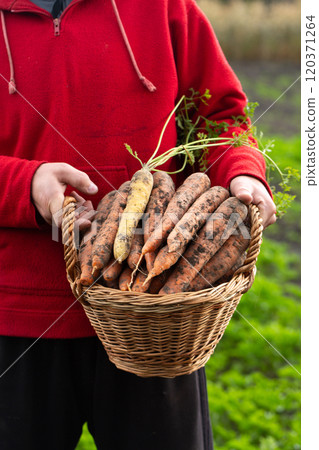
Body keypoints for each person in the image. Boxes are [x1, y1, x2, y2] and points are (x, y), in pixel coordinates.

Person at [0, 0, 276, 448]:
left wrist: (242, 169)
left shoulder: (166, 7)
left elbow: (223, 117)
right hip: (17, 316)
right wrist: (24, 184)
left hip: (158, 310)